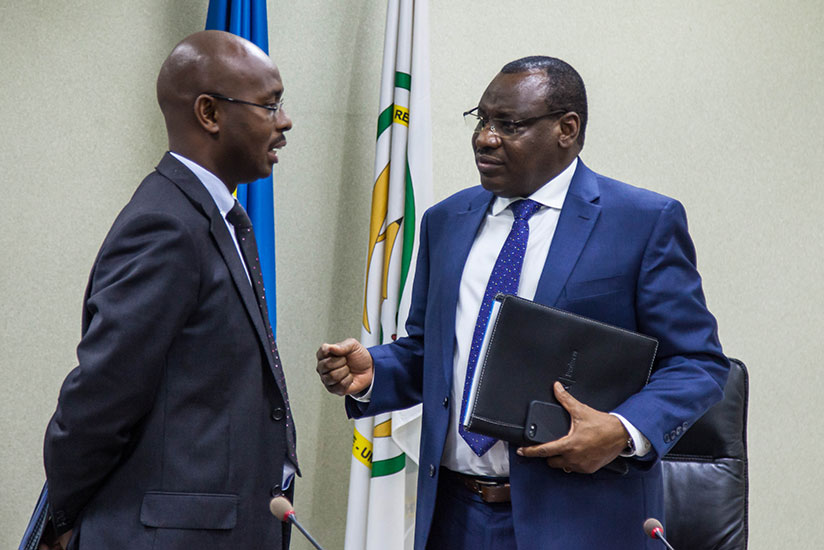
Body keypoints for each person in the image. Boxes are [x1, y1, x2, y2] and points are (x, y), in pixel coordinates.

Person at [316, 56, 729, 550]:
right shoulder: (445, 220)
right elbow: (431, 351)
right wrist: (374, 372)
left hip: (580, 521)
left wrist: (622, 430)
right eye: (481, 119)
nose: (485, 138)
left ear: (567, 129)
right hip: (452, 516)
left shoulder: (642, 222)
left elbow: (698, 363)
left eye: (509, 125)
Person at [40, 30, 298, 550]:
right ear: (209, 113)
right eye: (270, 106)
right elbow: (101, 396)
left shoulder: (215, 215)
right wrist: (63, 514)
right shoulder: (166, 224)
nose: (285, 122)